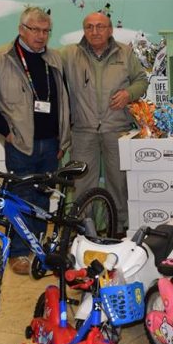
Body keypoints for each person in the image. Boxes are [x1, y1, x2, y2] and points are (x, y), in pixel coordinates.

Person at [0, 7, 70, 275]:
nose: (41, 36)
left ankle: (38, 249)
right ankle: (18, 253)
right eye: (35, 30)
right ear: (21, 29)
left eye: (46, 31)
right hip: (20, 143)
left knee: (42, 199)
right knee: (20, 198)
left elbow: (64, 98)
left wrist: (63, 137)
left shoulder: (55, 58)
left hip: (51, 142)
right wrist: (7, 132)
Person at [61, 12, 148, 235]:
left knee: (119, 183)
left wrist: (129, 94)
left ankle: (117, 229)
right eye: (89, 27)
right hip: (82, 130)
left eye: (100, 26)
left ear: (110, 30)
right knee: (82, 185)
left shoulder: (125, 52)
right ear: (84, 30)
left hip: (117, 129)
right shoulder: (70, 54)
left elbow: (141, 80)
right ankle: (84, 231)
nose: (95, 31)